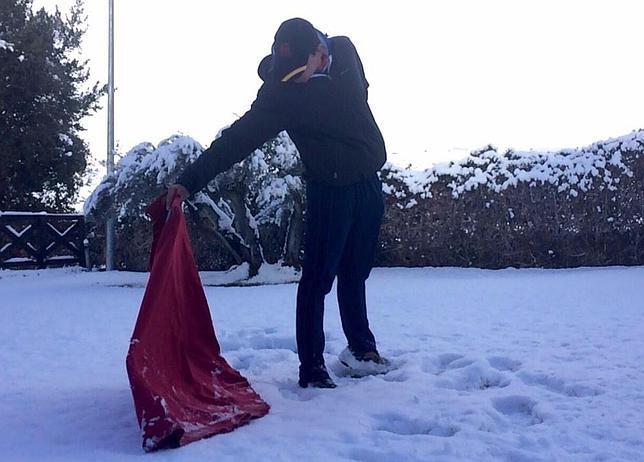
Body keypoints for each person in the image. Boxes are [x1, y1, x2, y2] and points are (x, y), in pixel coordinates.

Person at [168, 18, 389, 388]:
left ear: (320, 53)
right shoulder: (280, 94)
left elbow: (358, 96)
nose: (294, 81)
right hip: (329, 190)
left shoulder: (346, 52)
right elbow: (235, 141)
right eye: (287, 75)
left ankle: (361, 350)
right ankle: (312, 367)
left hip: (367, 182)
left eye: (300, 71)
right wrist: (188, 182)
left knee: (356, 271)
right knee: (317, 278)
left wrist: (323, 81)